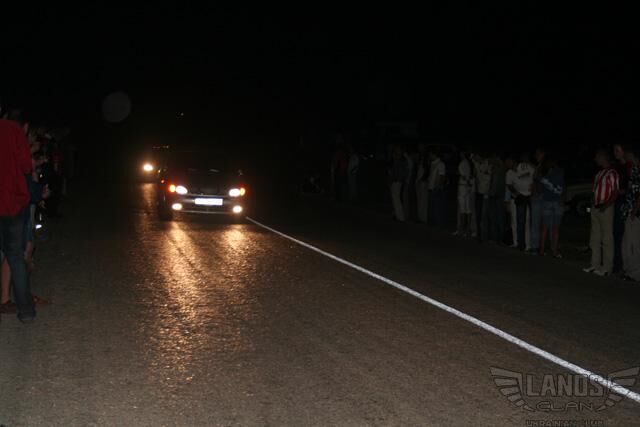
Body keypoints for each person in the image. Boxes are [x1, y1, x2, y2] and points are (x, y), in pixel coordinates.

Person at [0, 110, 36, 323]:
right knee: (15, 256)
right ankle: (26, 310)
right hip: (11, 202)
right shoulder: (13, 130)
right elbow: (25, 165)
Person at [584, 150, 619, 277]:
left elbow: (615, 192)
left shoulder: (612, 173)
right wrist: (592, 202)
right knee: (595, 237)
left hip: (605, 208)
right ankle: (595, 265)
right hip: (596, 208)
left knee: (607, 238)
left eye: (597, 157)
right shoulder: (599, 173)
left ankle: (607, 268)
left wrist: (606, 205)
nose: (595, 160)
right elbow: (595, 191)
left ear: (603, 158)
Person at [538, 155, 565, 257]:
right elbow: (562, 188)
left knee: (544, 227)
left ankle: (541, 251)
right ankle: (554, 252)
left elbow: (540, 188)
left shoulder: (544, 173)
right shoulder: (559, 172)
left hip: (547, 201)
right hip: (557, 201)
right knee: (555, 228)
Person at [621, 146, 640, 281]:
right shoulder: (633, 169)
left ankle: (636, 273)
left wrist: (635, 210)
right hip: (629, 210)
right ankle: (628, 271)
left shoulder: (638, 170)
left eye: (626, 154)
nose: (625, 156)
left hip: (635, 212)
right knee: (627, 243)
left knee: (634, 244)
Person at [612, 143, 631, 274]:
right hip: (617, 202)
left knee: (625, 235)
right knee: (617, 234)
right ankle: (617, 264)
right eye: (614, 150)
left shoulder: (630, 166)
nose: (615, 152)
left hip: (626, 203)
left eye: (618, 150)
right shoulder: (616, 167)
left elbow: (633, 186)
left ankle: (624, 265)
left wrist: (624, 191)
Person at [472, 153, 492, 241]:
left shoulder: (487, 165)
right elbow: (475, 175)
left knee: (484, 216)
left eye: (477, 157)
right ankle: (479, 234)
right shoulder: (478, 164)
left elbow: (486, 179)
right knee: (478, 214)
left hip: (485, 193)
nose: (476, 158)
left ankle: (484, 236)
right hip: (479, 192)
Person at [530, 147, 546, 253]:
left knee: (536, 223)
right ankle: (538, 246)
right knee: (538, 223)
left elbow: (541, 182)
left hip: (539, 196)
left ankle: (536, 246)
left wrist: (535, 190)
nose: (536, 156)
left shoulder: (544, 167)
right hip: (539, 196)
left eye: (538, 154)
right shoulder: (539, 166)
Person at [487, 153, 506, 243]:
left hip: (497, 196)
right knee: (497, 218)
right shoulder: (501, 170)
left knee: (497, 218)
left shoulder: (499, 170)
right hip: (498, 196)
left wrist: (491, 194)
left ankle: (498, 238)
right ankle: (498, 238)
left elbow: (495, 184)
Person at [455, 150, 474, 236]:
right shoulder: (468, 163)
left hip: (462, 186)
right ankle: (468, 229)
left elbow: (463, 176)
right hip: (467, 188)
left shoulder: (462, 163)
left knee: (462, 210)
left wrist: (467, 181)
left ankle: (461, 229)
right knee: (468, 209)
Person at [389, 145, 408, 222]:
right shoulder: (399, 159)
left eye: (398, 150)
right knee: (395, 198)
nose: (396, 151)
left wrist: (397, 179)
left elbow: (400, 171)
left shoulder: (401, 159)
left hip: (397, 180)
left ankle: (400, 216)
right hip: (396, 180)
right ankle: (398, 215)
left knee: (396, 199)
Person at [427, 150, 446, 227]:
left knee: (437, 206)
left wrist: (438, 187)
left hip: (436, 188)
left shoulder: (440, 164)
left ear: (434, 154)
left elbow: (442, 177)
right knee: (432, 206)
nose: (430, 156)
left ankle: (438, 223)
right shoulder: (433, 163)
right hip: (431, 187)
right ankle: (433, 222)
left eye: (431, 154)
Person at [504, 156, 518, 247]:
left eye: (508, 162)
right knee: (512, 221)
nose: (507, 164)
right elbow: (508, 188)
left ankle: (515, 241)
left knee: (514, 221)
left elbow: (509, 188)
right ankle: (514, 240)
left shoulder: (512, 172)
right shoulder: (510, 172)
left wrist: (506, 200)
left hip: (514, 199)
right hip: (512, 199)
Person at [415, 144, 429, 224]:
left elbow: (426, 171)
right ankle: (420, 217)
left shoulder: (425, 159)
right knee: (420, 200)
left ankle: (423, 218)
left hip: (423, 182)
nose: (419, 148)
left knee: (423, 200)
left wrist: (421, 180)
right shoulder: (421, 158)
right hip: (420, 181)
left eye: (421, 147)